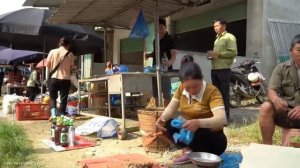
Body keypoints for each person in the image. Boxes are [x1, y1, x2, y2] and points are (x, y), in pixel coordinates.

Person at [156, 62, 227, 165]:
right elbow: (171, 108)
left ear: (202, 79)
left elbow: (221, 119)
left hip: (210, 137)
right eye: (188, 88)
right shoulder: (181, 88)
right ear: (182, 84)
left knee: (205, 134)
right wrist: (162, 118)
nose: (192, 90)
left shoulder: (212, 92)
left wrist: (198, 123)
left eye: (196, 86)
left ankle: (198, 153)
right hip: (189, 134)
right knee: (167, 124)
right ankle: (188, 152)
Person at [259, 34, 300, 145]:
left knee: (294, 145)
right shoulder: (281, 68)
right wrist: (276, 100)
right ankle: (267, 147)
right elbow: (272, 89)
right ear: (291, 51)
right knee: (266, 107)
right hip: (287, 112)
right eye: (298, 50)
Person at [207, 18, 237, 122]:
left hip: (224, 70)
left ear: (224, 26)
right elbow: (216, 55)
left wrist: (218, 54)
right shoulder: (217, 39)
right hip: (214, 69)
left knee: (224, 93)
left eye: (217, 26)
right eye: (214, 27)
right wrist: (211, 56)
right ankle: (217, 115)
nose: (215, 28)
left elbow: (233, 52)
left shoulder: (229, 37)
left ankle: (226, 117)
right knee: (216, 94)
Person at [146, 18, 177, 106]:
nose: (160, 30)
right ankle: (157, 112)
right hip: (155, 69)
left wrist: (170, 62)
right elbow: (155, 53)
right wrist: (148, 55)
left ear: (165, 28)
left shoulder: (170, 39)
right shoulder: (155, 40)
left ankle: (167, 113)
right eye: (158, 28)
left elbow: (174, 54)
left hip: (165, 70)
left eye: (161, 28)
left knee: (166, 93)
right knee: (155, 93)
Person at [47, 37, 74, 116]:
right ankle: (62, 113)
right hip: (66, 79)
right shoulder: (70, 54)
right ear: (68, 45)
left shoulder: (52, 52)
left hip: (54, 78)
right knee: (63, 98)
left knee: (52, 98)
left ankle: (53, 115)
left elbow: (47, 65)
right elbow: (71, 68)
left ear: (59, 44)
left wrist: (47, 77)